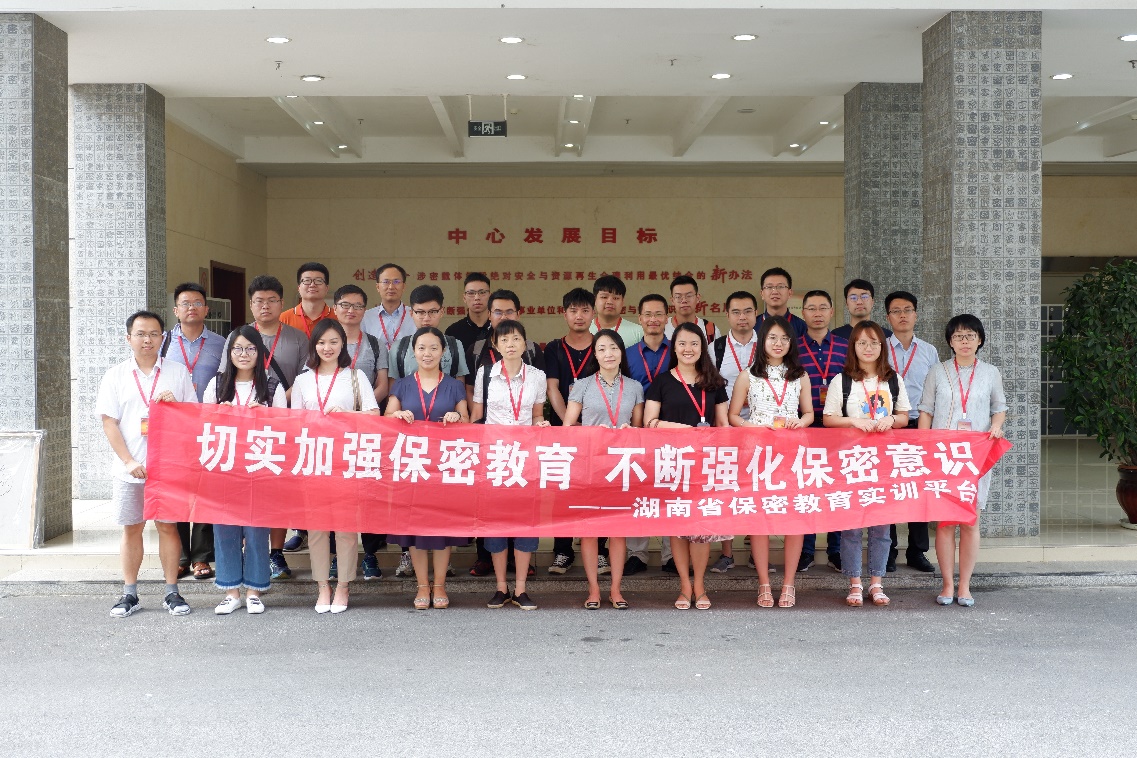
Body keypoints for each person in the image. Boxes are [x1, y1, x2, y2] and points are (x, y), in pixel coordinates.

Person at [97, 310, 198, 618]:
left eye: (154, 334)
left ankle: (172, 592)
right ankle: (129, 593)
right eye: (140, 334)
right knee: (132, 529)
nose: (147, 340)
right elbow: (109, 423)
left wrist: (176, 406)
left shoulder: (177, 372)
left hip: (167, 468)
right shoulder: (115, 375)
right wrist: (129, 461)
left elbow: (193, 417)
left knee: (168, 527)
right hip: (130, 470)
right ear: (128, 338)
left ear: (163, 338)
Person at [290, 319, 381, 613]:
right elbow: (294, 424)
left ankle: (343, 586)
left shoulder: (355, 376)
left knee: (345, 528)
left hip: (346, 460)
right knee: (316, 528)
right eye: (321, 342)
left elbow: (374, 415)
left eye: (333, 342)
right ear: (313, 346)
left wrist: (347, 415)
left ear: (343, 344)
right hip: (314, 459)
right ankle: (322, 587)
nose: (327, 348)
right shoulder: (303, 380)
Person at [919, 314, 1007, 608]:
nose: (964, 341)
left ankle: (965, 586)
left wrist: (996, 426)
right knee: (945, 522)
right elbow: (926, 410)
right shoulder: (937, 371)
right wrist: (924, 447)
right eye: (958, 336)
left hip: (975, 455)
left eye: (970, 335)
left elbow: (999, 408)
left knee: (970, 520)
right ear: (950, 341)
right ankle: (947, 584)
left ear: (980, 340)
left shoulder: (991, 372)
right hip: (943, 456)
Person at [823, 321, 911, 607]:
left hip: (885, 462)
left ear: (882, 346)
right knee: (851, 526)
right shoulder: (842, 380)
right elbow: (828, 419)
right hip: (851, 462)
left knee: (881, 526)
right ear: (853, 347)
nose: (868, 348)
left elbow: (904, 416)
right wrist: (854, 421)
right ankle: (854, 583)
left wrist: (892, 420)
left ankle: (876, 583)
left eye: (874, 342)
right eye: (862, 342)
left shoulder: (893, 379)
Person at [202, 325, 288, 615]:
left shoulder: (272, 387)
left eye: (250, 349)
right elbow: (202, 425)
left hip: (259, 468)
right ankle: (231, 592)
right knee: (225, 530)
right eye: (237, 348)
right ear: (229, 353)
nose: (244, 354)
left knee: (256, 531)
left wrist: (266, 417)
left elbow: (286, 429)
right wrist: (220, 415)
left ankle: (254, 591)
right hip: (224, 467)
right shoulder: (216, 385)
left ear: (259, 353)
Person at [643, 321, 730, 611]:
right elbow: (649, 422)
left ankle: (700, 585)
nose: (688, 349)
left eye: (694, 343)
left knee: (701, 528)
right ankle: (684, 586)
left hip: (706, 465)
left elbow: (723, 425)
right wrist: (684, 429)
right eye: (682, 343)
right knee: (678, 527)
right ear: (674, 348)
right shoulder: (662, 381)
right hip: (673, 463)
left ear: (702, 347)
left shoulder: (715, 382)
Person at [728, 316, 813, 608]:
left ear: (791, 343)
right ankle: (764, 583)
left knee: (794, 518)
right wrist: (754, 426)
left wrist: (800, 422)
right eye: (773, 338)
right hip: (758, 453)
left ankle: (789, 583)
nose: (778, 343)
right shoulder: (747, 375)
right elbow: (733, 416)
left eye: (784, 339)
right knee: (760, 518)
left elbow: (809, 413)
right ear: (762, 340)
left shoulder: (800, 375)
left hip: (792, 452)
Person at [385, 327, 471, 610]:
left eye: (434, 348)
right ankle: (422, 585)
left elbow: (467, 421)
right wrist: (397, 414)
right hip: (413, 466)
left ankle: (440, 585)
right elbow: (387, 417)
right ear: (413, 351)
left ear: (443, 352)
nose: (427, 353)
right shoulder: (402, 385)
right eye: (421, 348)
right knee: (415, 528)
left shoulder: (455, 386)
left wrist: (456, 416)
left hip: (445, 466)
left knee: (442, 528)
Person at [465, 289, 546, 578]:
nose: (510, 344)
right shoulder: (485, 374)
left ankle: (522, 575)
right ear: (495, 344)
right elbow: (477, 414)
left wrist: (542, 425)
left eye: (516, 339)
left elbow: (537, 415)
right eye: (504, 340)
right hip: (494, 455)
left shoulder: (537, 376)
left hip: (526, 455)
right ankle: (498, 578)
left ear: (525, 343)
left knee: (524, 514)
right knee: (495, 517)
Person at [562, 329, 645, 610]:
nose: (608, 354)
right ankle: (594, 589)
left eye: (613, 348)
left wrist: (630, 430)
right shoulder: (582, 385)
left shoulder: (634, 387)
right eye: (601, 349)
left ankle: (616, 589)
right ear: (594, 355)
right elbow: (568, 426)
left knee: (618, 530)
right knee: (590, 530)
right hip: (590, 464)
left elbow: (640, 429)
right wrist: (590, 432)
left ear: (621, 352)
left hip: (622, 466)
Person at [233, 275, 309, 581]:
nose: (265, 306)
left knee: (278, 490)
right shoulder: (238, 336)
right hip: (243, 429)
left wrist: (275, 397)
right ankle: (248, 550)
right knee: (245, 490)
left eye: (272, 300)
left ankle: (276, 552)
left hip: (283, 423)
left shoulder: (297, 338)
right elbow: (227, 377)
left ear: (282, 303)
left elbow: (304, 378)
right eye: (259, 301)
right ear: (250, 304)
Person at [323, 283, 390, 578]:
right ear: (335, 308)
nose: (351, 311)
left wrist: (362, 409)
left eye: (358, 306)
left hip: (366, 429)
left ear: (365, 310)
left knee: (369, 491)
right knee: (334, 495)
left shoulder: (375, 343)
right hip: (332, 433)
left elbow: (383, 383)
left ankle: (370, 553)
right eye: (345, 305)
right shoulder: (324, 340)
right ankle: (337, 556)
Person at [162, 282, 225, 581]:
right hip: (173, 427)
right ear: (176, 310)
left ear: (206, 309)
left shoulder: (221, 343)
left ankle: (201, 556)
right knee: (176, 489)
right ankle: (180, 556)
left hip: (207, 425)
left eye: (197, 303)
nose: (191, 308)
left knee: (203, 489)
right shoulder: (163, 342)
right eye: (185, 303)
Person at [884, 290, 939, 573]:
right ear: (888, 317)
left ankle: (917, 551)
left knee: (919, 490)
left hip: (920, 424)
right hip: (888, 425)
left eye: (907, 310)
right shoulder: (879, 347)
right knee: (889, 489)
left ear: (916, 315)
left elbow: (936, 391)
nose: (902, 315)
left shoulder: (929, 351)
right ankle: (888, 550)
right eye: (896, 311)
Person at [545, 288, 598, 574]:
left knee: (597, 490)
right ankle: (563, 550)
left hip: (596, 431)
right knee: (562, 490)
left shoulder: (602, 344)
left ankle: (600, 550)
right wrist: (568, 421)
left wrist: (584, 424)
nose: (579, 316)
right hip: (562, 432)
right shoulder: (554, 348)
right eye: (573, 310)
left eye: (585, 310)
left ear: (593, 314)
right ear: (563, 313)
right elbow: (552, 387)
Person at [707, 290, 760, 573]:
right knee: (725, 488)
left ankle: (756, 551)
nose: (742, 317)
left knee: (757, 488)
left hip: (759, 428)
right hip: (724, 427)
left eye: (748, 311)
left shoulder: (768, 345)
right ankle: (727, 553)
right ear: (727, 315)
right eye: (736, 312)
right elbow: (707, 386)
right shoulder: (715, 348)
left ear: (756, 314)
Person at [796, 289, 849, 573]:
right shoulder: (792, 347)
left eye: (822, 308)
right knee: (806, 487)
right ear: (803, 313)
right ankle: (805, 550)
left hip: (838, 426)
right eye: (811, 308)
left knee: (836, 488)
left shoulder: (845, 346)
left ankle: (835, 550)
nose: (817, 313)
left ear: (831, 312)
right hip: (804, 425)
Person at [625, 293, 670, 576]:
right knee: (637, 491)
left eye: (658, 314)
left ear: (667, 317)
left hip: (671, 430)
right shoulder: (627, 353)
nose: (653, 319)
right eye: (648, 314)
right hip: (636, 431)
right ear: (640, 318)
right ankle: (636, 553)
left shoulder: (679, 350)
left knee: (670, 490)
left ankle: (670, 554)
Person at [361, 262, 415, 353]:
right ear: (378, 287)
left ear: (403, 286)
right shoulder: (366, 317)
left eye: (396, 282)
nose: (391, 287)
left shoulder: (415, 315)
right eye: (386, 282)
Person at [446, 272, 493, 369]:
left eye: (482, 292)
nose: (477, 298)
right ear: (464, 298)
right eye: (471, 293)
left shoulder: (499, 329)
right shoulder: (453, 332)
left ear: (490, 296)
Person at [279, 262, 336, 338]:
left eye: (318, 281)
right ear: (299, 288)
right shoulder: (283, 319)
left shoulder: (337, 317)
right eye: (307, 281)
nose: (312, 285)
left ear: (326, 288)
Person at [590, 275, 644, 346]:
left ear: (622, 302)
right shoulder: (585, 329)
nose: (610, 302)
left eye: (615, 298)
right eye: (604, 297)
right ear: (595, 300)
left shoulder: (638, 332)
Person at [756, 267, 808, 337]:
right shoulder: (752, 325)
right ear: (762, 294)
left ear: (790, 293)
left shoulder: (802, 327)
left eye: (781, 287)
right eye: (769, 287)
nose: (775, 292)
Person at [664, 275, 718, 341]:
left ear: (698, 298)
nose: (684, 300)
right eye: (678, 297)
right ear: (672, 300)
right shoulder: (663, 327)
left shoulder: (710, 330)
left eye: (689, 296)